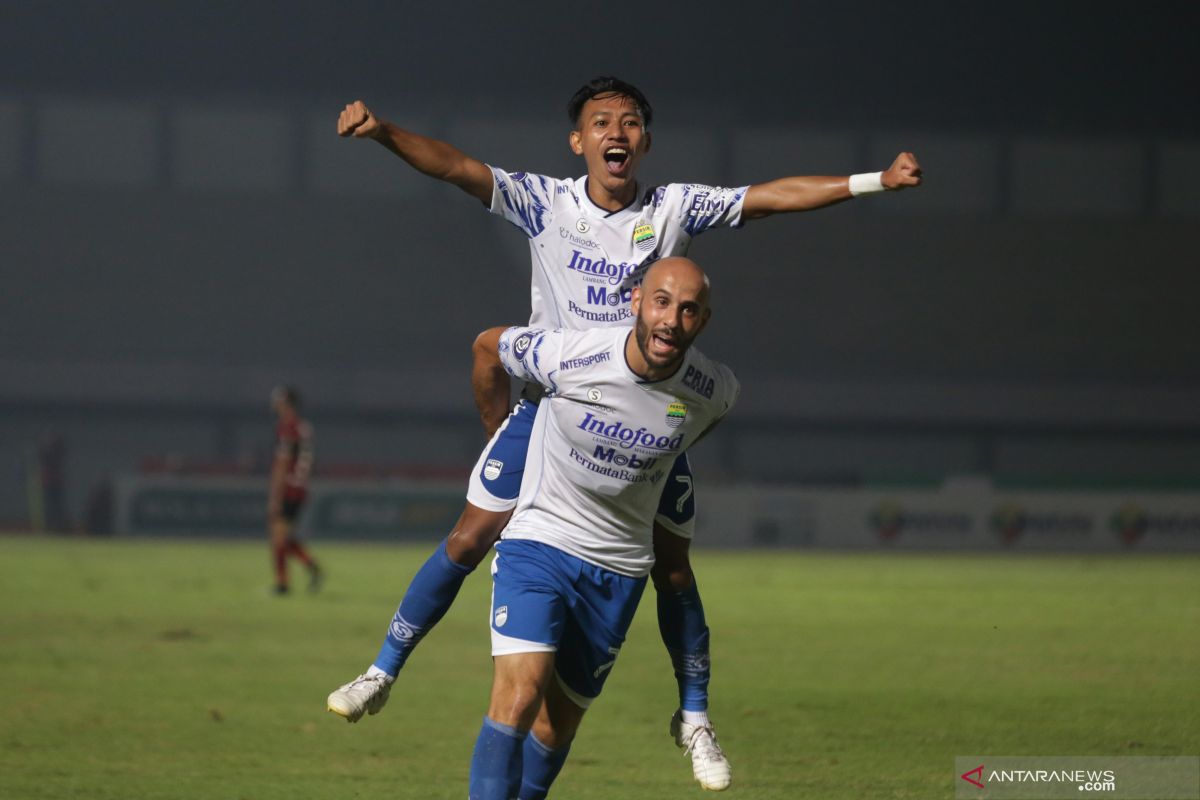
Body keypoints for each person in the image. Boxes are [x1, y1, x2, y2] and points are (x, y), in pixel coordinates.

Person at [327, 76, 921, 791]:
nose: (618, 131)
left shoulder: (673, 208)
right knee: (469, 536)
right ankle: (381, 671)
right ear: (579, 141)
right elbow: (456, 167)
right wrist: (385, 132)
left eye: (631, 121)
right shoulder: (547, 202)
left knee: (674, 569)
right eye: (601, 121)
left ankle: (695, 715)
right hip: (553, 403)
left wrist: (875, 182)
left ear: (644, 141)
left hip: (645, 422)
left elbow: (768, 198)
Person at [469, 257, 738, 799]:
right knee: (519, 699)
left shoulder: (714, 389)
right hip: (540, 543)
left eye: (688, 310)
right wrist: (498, 429)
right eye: (662, 302)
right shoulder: (573, 353)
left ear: (702, 321)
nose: (671, 320)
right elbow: (488, 346)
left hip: (617, 569)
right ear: (636, 300)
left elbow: (691, 431)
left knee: (555, 727)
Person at [268, 385, 321, 594]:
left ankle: (282, 583)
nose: (274, 404)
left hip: (288, 488)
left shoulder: (287, 428)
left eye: (277, 401)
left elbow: (282, 463)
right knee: (284, 537)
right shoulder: (304, 428)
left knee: (278, 538)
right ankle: (310, 565)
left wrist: (274, 495)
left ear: (285, 403)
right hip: (300, 488)